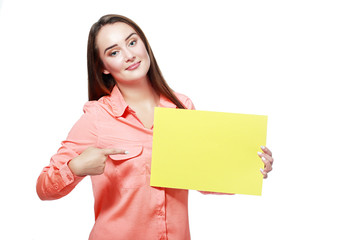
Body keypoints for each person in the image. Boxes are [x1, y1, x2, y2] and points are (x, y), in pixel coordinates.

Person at [36, 14, 274, 240]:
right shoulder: (97, 118)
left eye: (132, 42)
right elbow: (44, 187)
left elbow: (202, 177)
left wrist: (249, 167)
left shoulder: (182, 107)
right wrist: (76, 167)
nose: (129, 55)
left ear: (144, 44)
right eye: (115, 52)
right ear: (103, 67)